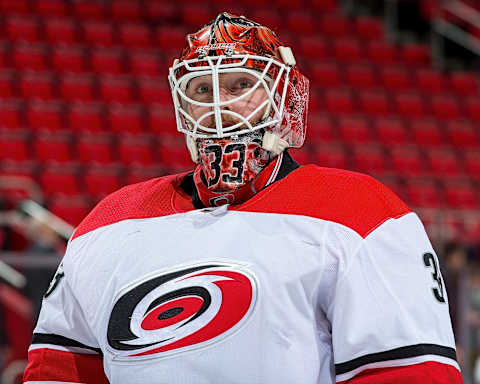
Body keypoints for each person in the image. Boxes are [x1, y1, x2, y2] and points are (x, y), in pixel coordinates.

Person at [23, 13, 462, 384]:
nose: (219, 104)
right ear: (182, 106)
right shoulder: (109, 221)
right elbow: (58, 371)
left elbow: (408, 374)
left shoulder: (362, 212)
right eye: (201, 90)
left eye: (239, 85)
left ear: (280, 97)